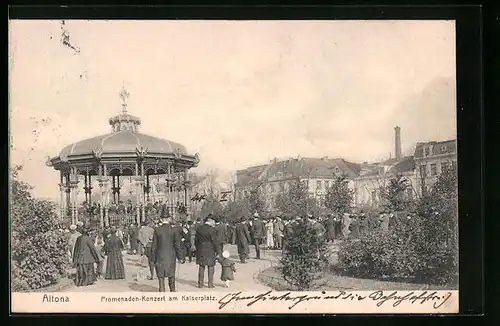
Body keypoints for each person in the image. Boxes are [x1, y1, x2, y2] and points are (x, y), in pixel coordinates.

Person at [151, 216, 185, 292]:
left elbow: (154, 245)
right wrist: (180, 257)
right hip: (171, 256)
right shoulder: (174, 230)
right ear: (169, 219)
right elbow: (177, 245)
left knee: (161, 276)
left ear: (161, 219)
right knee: (171, 274)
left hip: (160, 256)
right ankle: (172, 291)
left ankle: (162, 291)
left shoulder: (157, 230)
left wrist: (153, 258)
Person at [195, 216, 220, 288]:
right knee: (211, 266)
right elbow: (215, 242)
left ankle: (200, 284)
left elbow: (196, 240)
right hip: (210, 250)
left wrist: (198, 248)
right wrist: (217, 251)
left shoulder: (199, 229)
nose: (214, 223)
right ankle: (210, 284)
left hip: (201, 249)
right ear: (211, 220)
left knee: (201, 266)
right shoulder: (212, 230)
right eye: (214, 221)